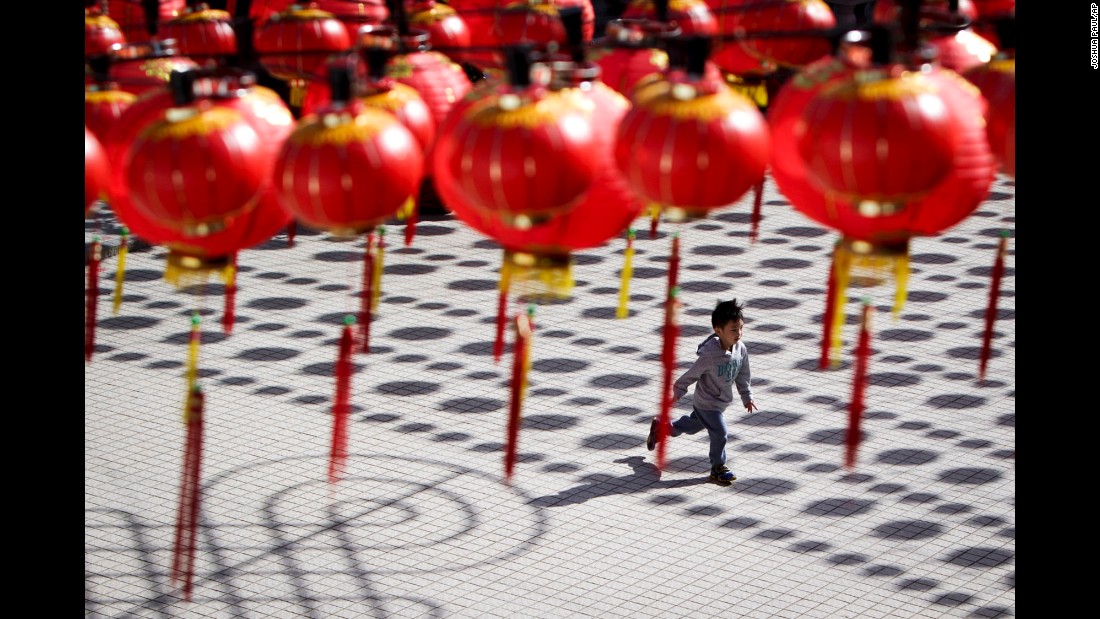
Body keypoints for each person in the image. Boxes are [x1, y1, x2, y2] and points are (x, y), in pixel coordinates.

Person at [647, 298, 758, 483]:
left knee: (690, 427)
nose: (738, 333)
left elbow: (743, 374)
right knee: (720, 432)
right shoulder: (709, 356)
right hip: (707, 403)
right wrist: (676, 394)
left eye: (740, 328)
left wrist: (747, 396)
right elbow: (690, 376)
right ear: (718, 330)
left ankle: (661, 428)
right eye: (733, 330)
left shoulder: (741, 349)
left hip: (720, 403)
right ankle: (718, 467)